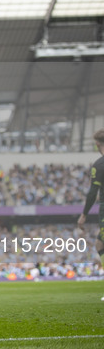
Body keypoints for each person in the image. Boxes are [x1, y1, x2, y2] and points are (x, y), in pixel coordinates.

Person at [77, 128, 104, 301]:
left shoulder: (100, 164)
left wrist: (84, 214)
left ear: (97, 145)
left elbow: (93, 192)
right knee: (99, 244)